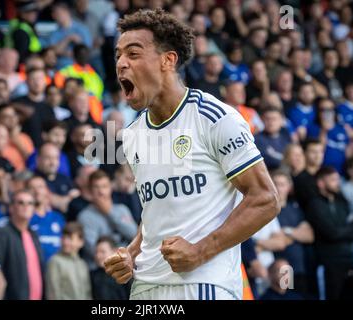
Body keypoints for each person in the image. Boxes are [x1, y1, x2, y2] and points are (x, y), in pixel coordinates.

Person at [105, 9, 280, 300]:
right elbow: (157, 211)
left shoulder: (213, 117)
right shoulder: (133, 135)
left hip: (204, 285)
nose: (121, 63)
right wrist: (132, 253)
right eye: (118, 55)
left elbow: (265, 199)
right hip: (145, 288)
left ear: (167, 60)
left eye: (133, 54)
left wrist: (200, 251)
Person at [306, 166, 353, 300]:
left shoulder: (341, 202)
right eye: (332, 180)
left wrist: (342, 231)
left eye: (337, 179)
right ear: (321, 183)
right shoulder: (315, 204)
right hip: (329, 263)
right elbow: (331, 233)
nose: (337, 183)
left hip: (349, 259)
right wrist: (346, 231)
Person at [0, 190, 44, 300]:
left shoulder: (34, 235)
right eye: (21, 203)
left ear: (33, 209)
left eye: (30, 203)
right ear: (11, 208)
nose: (26, 207)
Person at [78, 170, 137, 269]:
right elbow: (92, 250)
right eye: (96, 187)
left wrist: (109, 212)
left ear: (110, 188)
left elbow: (134, 235)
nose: (101, 192)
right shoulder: (85, 216)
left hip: (126, 266)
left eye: (104, 186)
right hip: (100, 270)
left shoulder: (122, 209)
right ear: (90, 190)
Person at [271, 170, 314, 298]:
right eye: (275, 184)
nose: (279, 188)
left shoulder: (295, 208)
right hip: (279, 270)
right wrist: (296, 234)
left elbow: (309, 236)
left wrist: (286, 231)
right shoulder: (267, 210)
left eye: (282, 184)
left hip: (299, 268)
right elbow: (278, 241)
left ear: (289, 187)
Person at [45, 221, 92, 300]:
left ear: (81, 242)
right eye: (63, 238)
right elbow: (53, 293)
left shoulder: (82, 264)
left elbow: (87, 293)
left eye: (70, 238)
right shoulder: (55, 261)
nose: (65, 242)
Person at [27, 175, 66, 263]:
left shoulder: (58, 217)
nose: (37, 191)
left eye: (40, 187)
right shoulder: (25, 219)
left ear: (47, 190)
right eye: (32, 188)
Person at [35, 143, 80, 214]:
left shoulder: (64, 178)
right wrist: (69, 198)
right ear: (38, 159)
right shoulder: (34, 179)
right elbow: (58, 203)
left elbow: (77, 200)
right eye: (48, 158)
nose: (52, 162)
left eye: (56, 158)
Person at [293, 138, 324, 212]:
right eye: (313, 152)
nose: (318, 155)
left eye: (320, 152)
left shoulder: (326, 175)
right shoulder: (300, 179)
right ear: (304, 153)